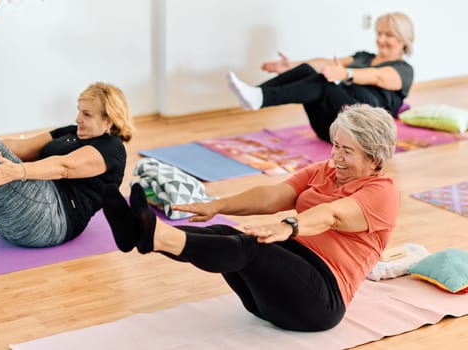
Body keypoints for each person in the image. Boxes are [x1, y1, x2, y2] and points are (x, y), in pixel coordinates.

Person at [101, 104, 400, 332]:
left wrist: (289, 226)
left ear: (374, 159)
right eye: (336, 145)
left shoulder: (382, 192)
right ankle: (138, 234)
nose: (336, 157)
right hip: (271, 293)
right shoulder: (326, 171)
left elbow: (332, 215)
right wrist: (217, 205)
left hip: (319, 302)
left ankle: (154, 236)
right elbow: (273, 196)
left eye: (347, 151)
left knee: (252, 248)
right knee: (225, 232)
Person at [227, 12, 414, 143]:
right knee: (309, 71)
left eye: (388, 35)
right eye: (379, 33)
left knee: (326, 83)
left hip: (362, 135)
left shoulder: (403, 70)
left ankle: (259, 98)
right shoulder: (364, 56)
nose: (381, 39)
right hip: (331, 129)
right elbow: (323, 62)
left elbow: (377, 76)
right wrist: (292, 66)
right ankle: (257, 93)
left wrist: (347, 74)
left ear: (404, 39)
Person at [0, 82, 135, 247]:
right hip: (9, 223)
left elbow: (65, 167)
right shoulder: (71, 131)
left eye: (87, 114)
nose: (78, 118)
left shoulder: (112, 147)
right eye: (79, 110)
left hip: (52, 220)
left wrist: (20, 171)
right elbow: (22, 147)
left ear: (109, 121)